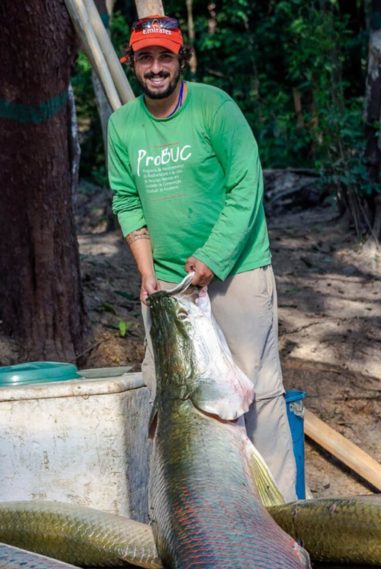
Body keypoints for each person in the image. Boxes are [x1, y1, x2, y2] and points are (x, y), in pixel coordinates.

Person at [108, 15, 297, 501]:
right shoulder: (123, 125)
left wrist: (213, 256)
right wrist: (148, 274)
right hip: (170, 286)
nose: (155, 68)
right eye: (145, 57)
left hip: (236, 270)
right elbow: (127, 202)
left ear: (180, 59)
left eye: (164, 57)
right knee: (171, 400)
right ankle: (203, 513)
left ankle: (284, 516)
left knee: (255, 393)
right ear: (132, 62)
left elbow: (246, 185)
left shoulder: (215, 107)